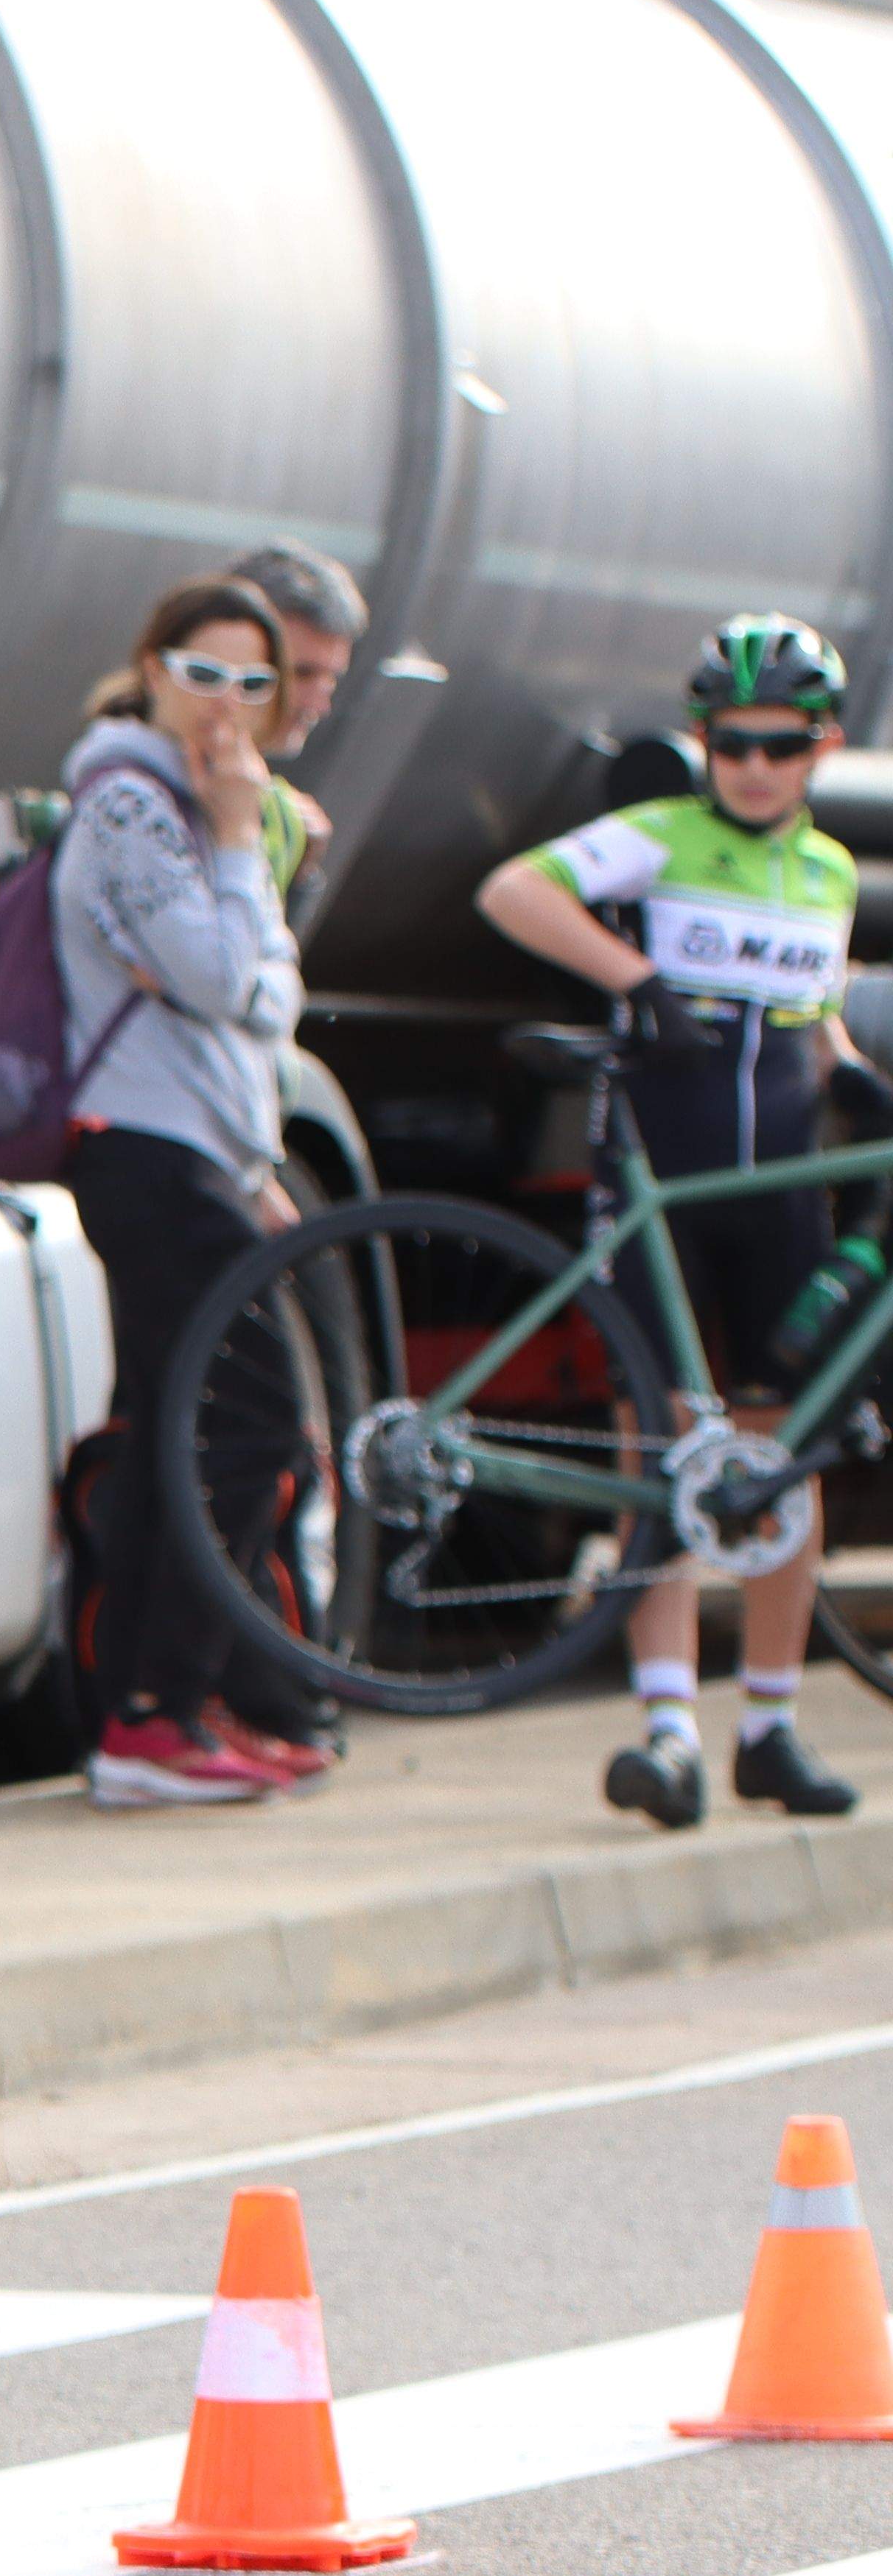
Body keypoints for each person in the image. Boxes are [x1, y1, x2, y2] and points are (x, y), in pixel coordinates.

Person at [476, 611, 870, 1828]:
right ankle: (667, 1732)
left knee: (777, 1452)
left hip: (780, 1186)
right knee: (662, 1449)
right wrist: (637, 982)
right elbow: (514, 890)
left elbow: (815, 1011)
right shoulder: (662, 833)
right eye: (730, 743)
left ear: (823, 748)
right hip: (659, 1173)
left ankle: (769, 1728)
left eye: (780, 745)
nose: (752, 766)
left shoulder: (831, 871)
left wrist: (854, 1073)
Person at [58, 575, 325, 1807]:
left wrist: (236, 879)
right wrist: (233, 839)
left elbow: (270, 995)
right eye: (203, 672)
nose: (228, 701)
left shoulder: (200, 804)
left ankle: (171, 1706)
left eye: (254, 681)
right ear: (153, 668)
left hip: (200, 1151)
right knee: (248, 1417)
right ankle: (155, 1712)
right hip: (147, 1150)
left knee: (191, 1418)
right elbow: (229, 979)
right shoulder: (130, 801)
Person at [224, 536, 364, 911]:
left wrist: (299, 879)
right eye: (300, 674)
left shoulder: (278, 813)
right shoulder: (135, 792)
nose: (319, 706)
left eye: (331, 680)